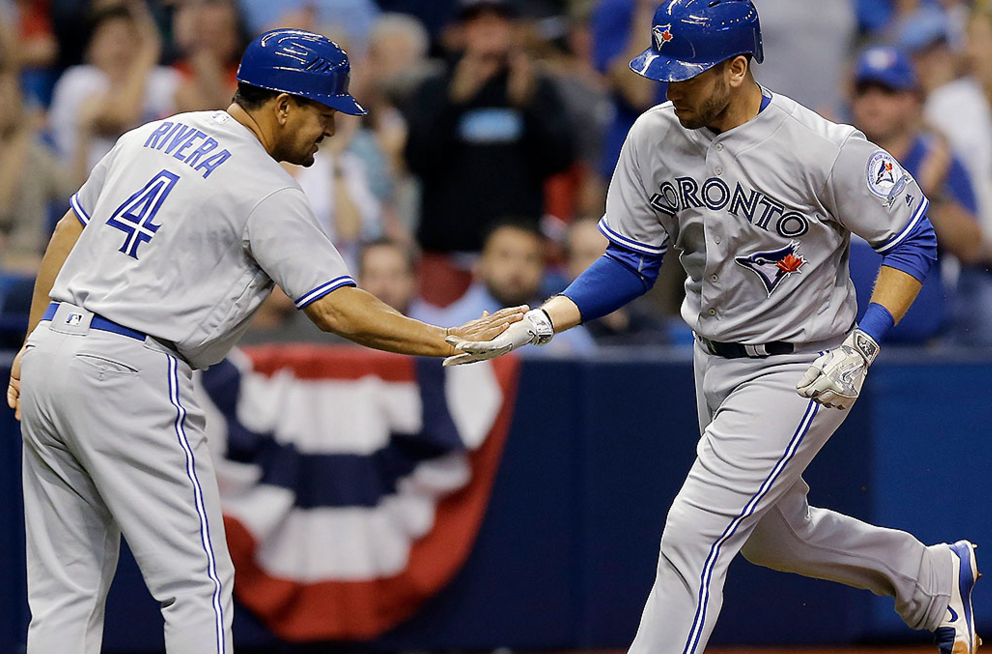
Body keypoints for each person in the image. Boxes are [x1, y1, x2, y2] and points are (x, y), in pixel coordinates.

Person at [444, 2, 980, 654]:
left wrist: (864, 341)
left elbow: (912, 239)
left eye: (685, 72)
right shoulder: (653, 134)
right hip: (714, 358)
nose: (668, 85)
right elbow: (630, 260)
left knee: (693, 534)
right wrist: (541, 319)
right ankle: (928, 575)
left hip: (802, 365)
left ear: (734, 69)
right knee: (772, 537)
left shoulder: (821, 146)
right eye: (661, 68)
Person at [6, 29, 523, 654]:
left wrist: (33, 344)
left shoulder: (151, 135)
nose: (330, 127)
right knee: (198, 584)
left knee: (66, 587)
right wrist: (445, 339)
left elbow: (68, 231)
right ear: (282, 104)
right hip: (131, 366)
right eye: (322, 111)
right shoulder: (264, 185)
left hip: (55, 352)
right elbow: (336, 309)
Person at [403, 0, 575, 305]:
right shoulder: (434, 88)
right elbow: (416, 159)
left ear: (513, 30)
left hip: (515, 260)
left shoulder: (535, 87)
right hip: (447, 255)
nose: (488, 29)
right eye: (477, 21)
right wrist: (454, 103)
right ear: (459, 32)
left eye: (497, 20)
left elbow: (560, 160)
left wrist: (528, 106)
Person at [848, 45, 984, 343]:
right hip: (837, 347)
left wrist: (936, 193)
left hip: (921, 347)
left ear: (912, 100)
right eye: (864, 91)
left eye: (887, 91)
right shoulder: (835, 160)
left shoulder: (937, 161)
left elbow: (973, 249)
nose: (873, 102)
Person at [441, 217, 595, 357]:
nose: (517, 268)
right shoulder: (451, 330)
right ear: (481, 263)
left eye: (529, 258)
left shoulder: (566, 331)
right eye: (505, 255)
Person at [563, 216, 668, 346]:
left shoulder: (643, 314)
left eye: (608, 254)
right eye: (590, 255)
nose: (601, 264)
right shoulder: (558, 320)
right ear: (568, 264)